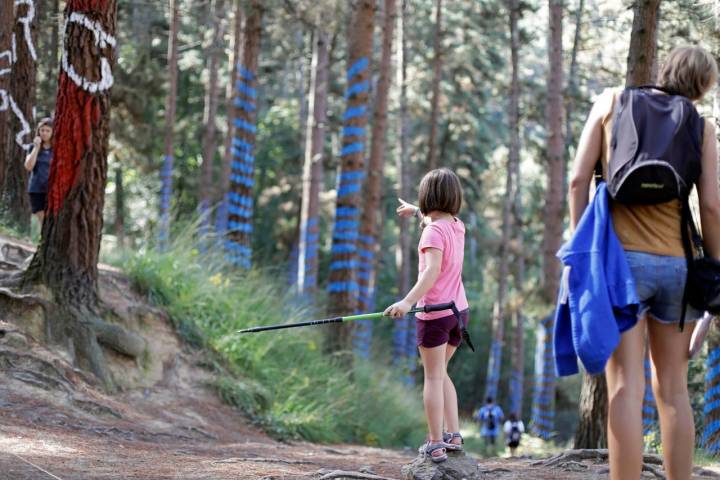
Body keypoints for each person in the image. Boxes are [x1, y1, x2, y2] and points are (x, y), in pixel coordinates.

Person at [568, 45, 720, 480]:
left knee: (625, 388)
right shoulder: (701, 126)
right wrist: (715, 268)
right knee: (673, 389)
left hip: (620, 269)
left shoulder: (611, 102)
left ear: (666, 69)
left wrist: (584, 250)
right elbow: (710, 206)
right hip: (678, 266)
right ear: (704, 86)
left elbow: (578, 179)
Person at [385, 168, 469, 463]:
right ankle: (454, 434)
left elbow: (432, 270)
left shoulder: (432, 231)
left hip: (434, 314)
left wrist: (408, 301)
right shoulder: (457, 226)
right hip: (459, 313)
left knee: (432, 376)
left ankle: (435, 442)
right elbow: (435, 221)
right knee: (442, 372)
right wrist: (416, 211)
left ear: (427, 197)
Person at [24, 117, 54, 224]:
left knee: (52, 219)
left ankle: (46, 239)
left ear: (52, 132)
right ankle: (44, 239)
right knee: (42, 218)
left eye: (47, 130)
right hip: (36, 189)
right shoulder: (33, 147)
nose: (44, 133)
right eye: (42, 130)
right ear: (38, 131)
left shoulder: (56, 149)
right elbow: (28, 167)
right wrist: (37, 148)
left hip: (52, 189)